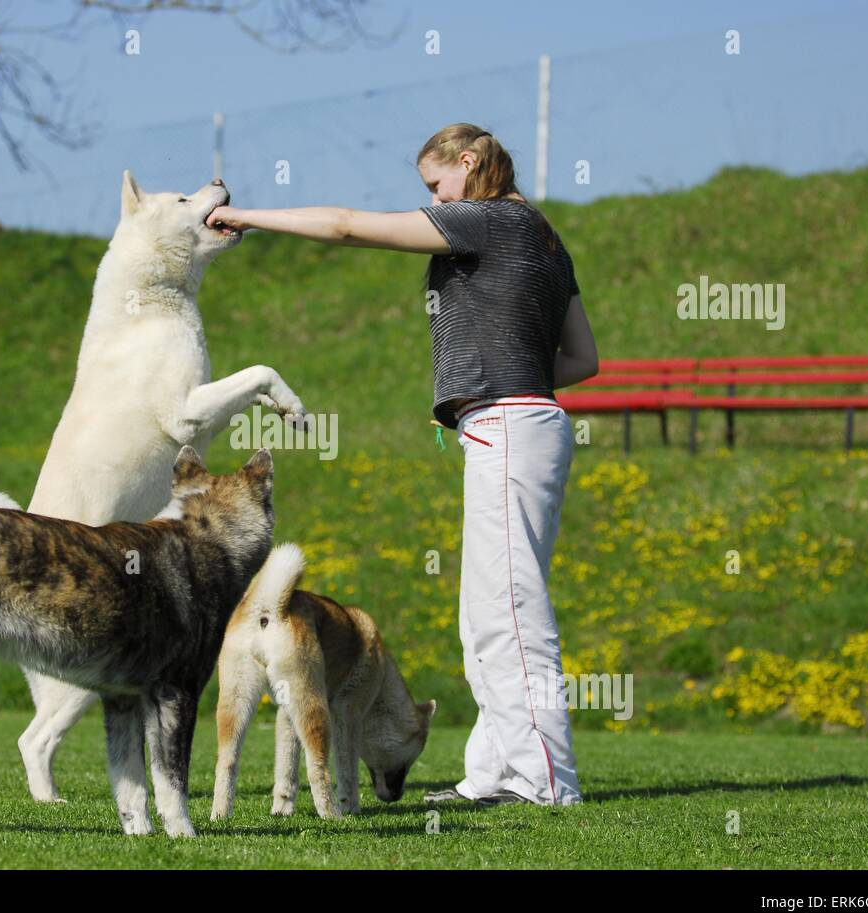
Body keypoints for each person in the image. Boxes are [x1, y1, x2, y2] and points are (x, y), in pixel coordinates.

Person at [204, 121, 599, 807]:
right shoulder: (544, 239)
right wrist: (497, 378)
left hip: (509, 424)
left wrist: (248, 216)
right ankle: (496, 775)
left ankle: (546, 782)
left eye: (436, 184)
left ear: (470, 163)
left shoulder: (487, 220)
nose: (436, 200)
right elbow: (585, 360)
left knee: (509, 609)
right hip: (515, 422)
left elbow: (349, 226)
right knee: (483, 615)